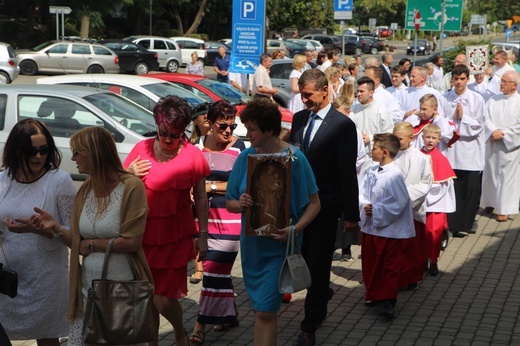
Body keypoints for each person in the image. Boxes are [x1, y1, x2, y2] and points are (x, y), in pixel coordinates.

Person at [32, 126, 154, 345]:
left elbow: (133, 242)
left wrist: (92, 245)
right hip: (88, 291)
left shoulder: (131, 187)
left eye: (77, 152)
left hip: (120, 290)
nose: (73, 157)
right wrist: (56, 228)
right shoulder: (86, 189)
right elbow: (78, 245)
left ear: (94, 152)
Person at [226, 98, 321, 346]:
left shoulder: (295, 158)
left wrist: (294, 229)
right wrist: (242, 203)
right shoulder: (245, 157)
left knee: (267, 312)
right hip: (252, 249)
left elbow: (315, 204)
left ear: (268, 129)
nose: (247, 134)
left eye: (252, 129)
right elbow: (230, 203)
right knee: (260, 311)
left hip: (279, 248)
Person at [124, 95, 210, 346]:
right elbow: (118, 184)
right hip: (142, 236)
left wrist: (203, 235)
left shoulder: (193, 155)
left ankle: (179, 331)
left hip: (175, 235)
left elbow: (202, 198)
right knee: (147, 295)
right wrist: (128, 173)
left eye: (176, 134)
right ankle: (152, 341)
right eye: (163, 133)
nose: (169, 139)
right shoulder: (142, 148)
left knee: (163, 297)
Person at [289, 68, 359, 346]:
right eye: (302, 95)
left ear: (324, 91)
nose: (304, 101)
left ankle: (309, 325)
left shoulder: (343, 126)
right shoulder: (298, 119)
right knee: (302, 261)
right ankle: (320, 293)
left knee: (318, 266)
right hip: (297, 207)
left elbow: (346, 172)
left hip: (326, 208)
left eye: (308, 96)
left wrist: (350, 214)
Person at [0, 119, 76, 346]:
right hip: (8, 276)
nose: (38, 156)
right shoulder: (4, 180)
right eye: (31, 151)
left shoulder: (59, 181)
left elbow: (75, 234)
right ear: (16, 150)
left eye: (44, 150)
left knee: (47, 337)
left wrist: (47, 230)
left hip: (46, 278)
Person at [189, 100, 246, 344]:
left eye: (232, 127)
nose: (228, 132)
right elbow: (188, 181)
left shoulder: (240, 148)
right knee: (219, 273)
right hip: (200, 220)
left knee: (213, 270)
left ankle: (199, 324)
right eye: (223, 126)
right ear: (208, 124)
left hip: (230, 219)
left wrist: (208, 186)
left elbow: (241, 187)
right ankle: (229, 314)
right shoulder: (195, 147)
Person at [359, 133, 415, 318]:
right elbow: (363, 192)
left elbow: (400, 202)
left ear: (384, 152)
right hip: (371, 226)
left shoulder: (394, 175)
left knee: (388, 266)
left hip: (389, 229)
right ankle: (374, 294)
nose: (371, 151)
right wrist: (364, 205)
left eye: (373, 148)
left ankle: (389, 300)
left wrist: (376, 210)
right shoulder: (372, 170)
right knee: (371, 263)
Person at [441, 65, 486, 237]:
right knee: (452, 189)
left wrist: (463, 118)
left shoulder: (477, 99)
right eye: (456, 79)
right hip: (451, 150)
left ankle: (464, 224)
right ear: (452, 79)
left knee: (468, 189)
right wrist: (452, 120)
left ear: (468, 79)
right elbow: (440, 123)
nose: (458, 82)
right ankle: (450, 223)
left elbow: (479, 125)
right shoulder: (444, 98)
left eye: (462, 79)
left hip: (470, 151)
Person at [393, 122, 432, 290]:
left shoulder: (421, 158)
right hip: (390, 209)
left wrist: (404, 198)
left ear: (411, 138)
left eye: (400, 138)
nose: (396, 141)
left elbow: (425, 184)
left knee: (412, 248)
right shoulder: (388, 155)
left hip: (411, 209)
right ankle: (394, 278)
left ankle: (411, 278)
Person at [480, 71, 520, 222]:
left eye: (504, 81)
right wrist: (492, 131)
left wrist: (502, 133)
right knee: (490, 173)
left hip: (509, 147)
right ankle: (489, 202)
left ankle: (504, 209)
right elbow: (485, 117)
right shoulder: (493, 100)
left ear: (514, 85)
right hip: (492, 141)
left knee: (507, 177)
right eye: (501, 81)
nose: (500, 84)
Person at [420, 124, 456, 276]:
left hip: (436, 203)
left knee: (433, 233)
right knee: (420, 234)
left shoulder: (441, 158)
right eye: (427, 137)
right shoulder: (417, 155)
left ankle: (433, 260)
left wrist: (429, 197)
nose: (430, 140)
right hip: (419, 203)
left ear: (439, 139)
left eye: (433, 138)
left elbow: (445, 184)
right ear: (422, 137)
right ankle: (421, 261)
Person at [350, 76, 394, 180]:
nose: (359, 94)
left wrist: (370, 138)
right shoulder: (353, 109)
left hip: (372, 158)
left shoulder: (381, 111)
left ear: (371, 93)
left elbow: (389, 134)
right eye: (358, 91)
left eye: (362, 91)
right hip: (355, 157)